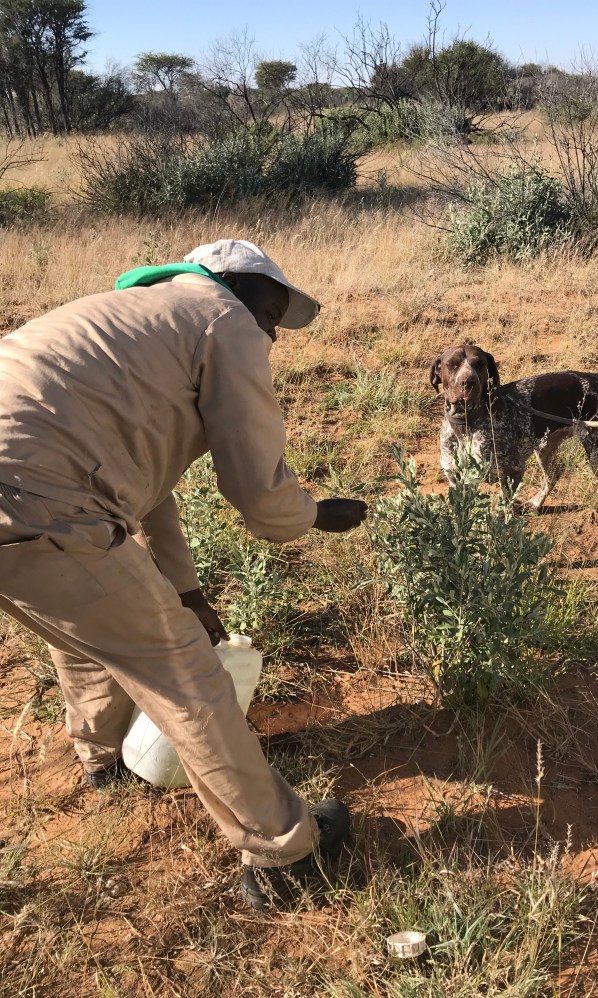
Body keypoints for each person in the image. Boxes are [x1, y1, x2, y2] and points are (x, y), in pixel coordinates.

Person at [0, 238, 367, 910]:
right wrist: (315, 514)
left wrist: (187, 591)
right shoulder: (221, 317)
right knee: (185, 674)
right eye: (270, 313)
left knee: (87, 611)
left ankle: (102, 759)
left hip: (33, 496)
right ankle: (284, 854)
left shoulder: (131, 322)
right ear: (230, 283)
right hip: (40, 496)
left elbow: (142, 493)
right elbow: (259, 494)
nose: (270, 335)